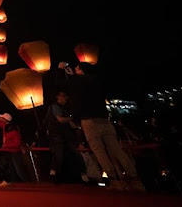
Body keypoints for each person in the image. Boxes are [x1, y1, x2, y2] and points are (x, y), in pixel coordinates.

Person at [60, 62, 145, 191]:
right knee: (116, 149)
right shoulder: (97, 81)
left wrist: (63, 71)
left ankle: (115, 181)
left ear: (81, 70)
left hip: (89, 121)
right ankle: (135, 180)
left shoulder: (78, 82)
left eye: (77, 68)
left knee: (100, 152)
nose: (75, 70)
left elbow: (69, 86)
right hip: (104, 120)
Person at [45, 90, 89, 184]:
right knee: (60, 154)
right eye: (63, 96)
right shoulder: (56, 107)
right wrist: (71, 119)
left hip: (63, 135)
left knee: (64, 154)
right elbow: (60, 120)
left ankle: (55, 174)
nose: (65, 98)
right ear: (58, 97)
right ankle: (55, 175)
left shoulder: (62, 108)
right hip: (58, 134)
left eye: (66, 96)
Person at [0, 112, 28, 183]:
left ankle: (26, 183)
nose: (0, 118)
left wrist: (5, 146)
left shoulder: (13, 130)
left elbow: (17, 143)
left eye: (2, 118)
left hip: (15, 152)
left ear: (5, 120)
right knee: (12, 169)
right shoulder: (6, 127)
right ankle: (16, 182)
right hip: (9, 152)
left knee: (19, 170)